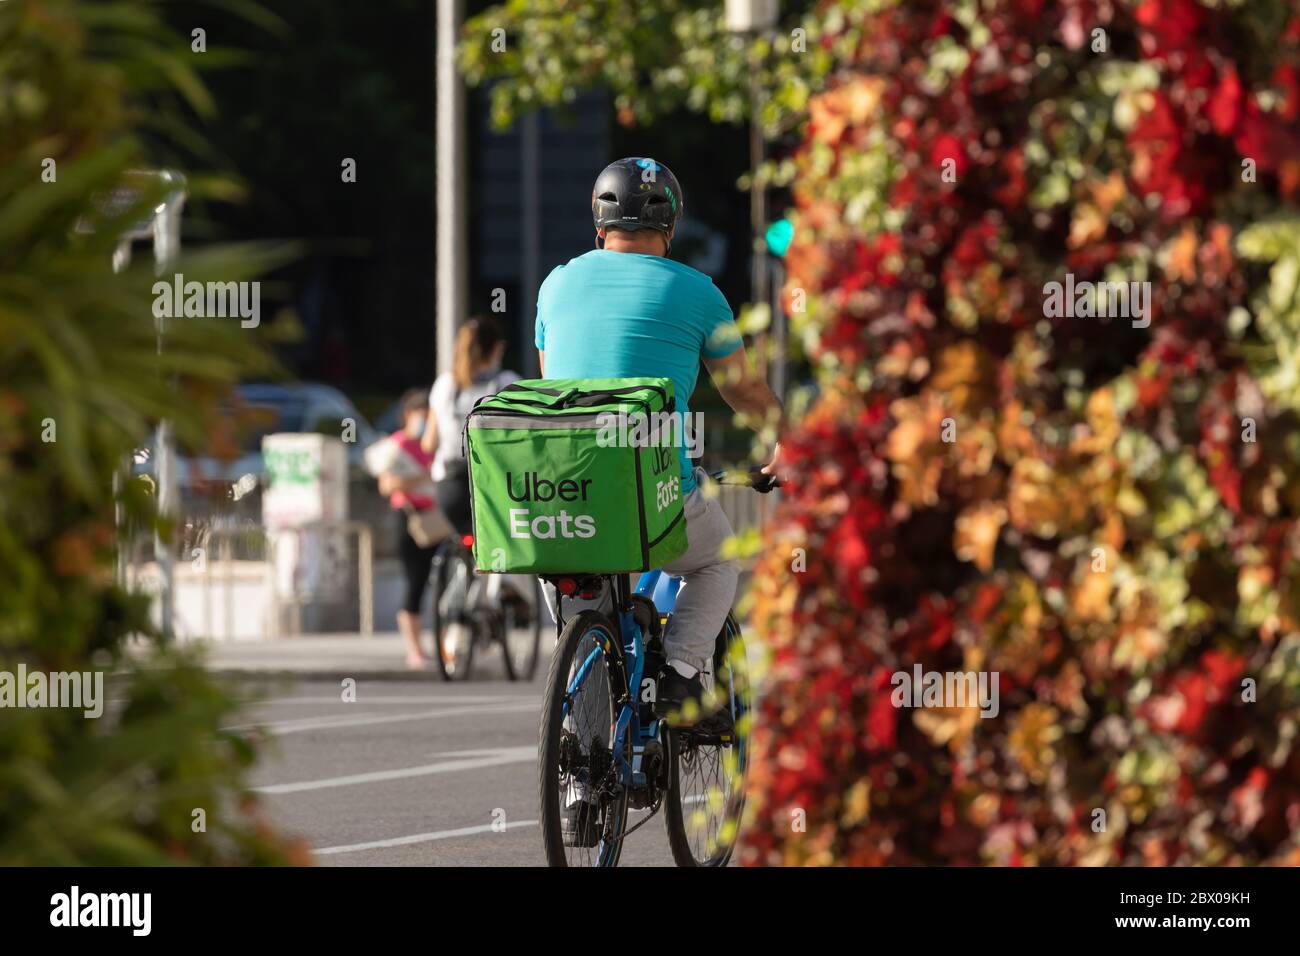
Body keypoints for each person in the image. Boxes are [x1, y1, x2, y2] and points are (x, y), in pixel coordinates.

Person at [535, 157, 787, 726]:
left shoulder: (556, 284)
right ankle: (680, 676)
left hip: (559, 496)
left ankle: (579, 784)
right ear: (669, 228)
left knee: (588, 628)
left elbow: (556, 386)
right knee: (717, 561)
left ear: (599, 225)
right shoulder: (699, 293)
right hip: (651, 494)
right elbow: (743, 391)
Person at [422, 316, 520, 536]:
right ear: (497, 349)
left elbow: (429, 443)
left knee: (463, 536)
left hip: (449, 486)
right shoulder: (507, 382)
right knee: (497, 541)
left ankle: (458, 562)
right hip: (494, 483)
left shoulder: (445, 384)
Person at [376, 389, 445, 669]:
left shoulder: (433, 445)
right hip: (408, 518)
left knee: (440, 579)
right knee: (414, 580)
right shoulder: (397, 444)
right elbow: (387, 484)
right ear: (407, 415)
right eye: (421, 416)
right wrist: (421, 478)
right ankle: (414, 648)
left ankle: (443, 645)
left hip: (435, 517)